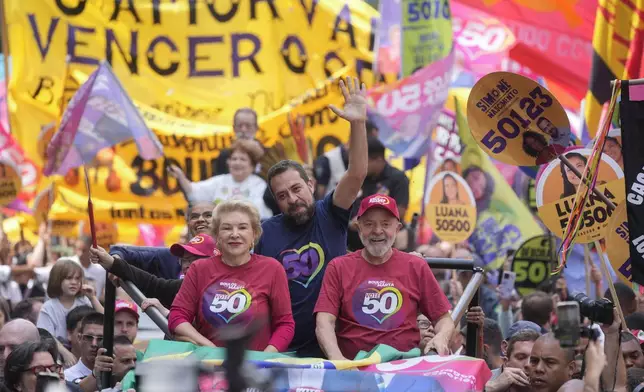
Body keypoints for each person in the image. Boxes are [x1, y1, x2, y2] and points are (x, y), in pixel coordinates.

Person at [256, 77, 369, 357]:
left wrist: (357, 123)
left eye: (296, 189)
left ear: (310, 184)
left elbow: (356, 173)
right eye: (282, 196)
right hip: (283, 350)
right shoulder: (264, 233)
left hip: (336, 344)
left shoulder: (330, 211)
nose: (292, 199)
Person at [314, 195, 453, 360]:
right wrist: (338, 361)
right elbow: (324, 321)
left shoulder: (416, 266)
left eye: (385, 224)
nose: (377, 230)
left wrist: (441, 337)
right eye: (369, 224)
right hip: (353, 370)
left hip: (404, 369)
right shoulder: (338, 267)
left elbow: (444, 318)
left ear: (397, 228)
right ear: (359, 228)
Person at [169, 200, 295, 351]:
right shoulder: (199, 269)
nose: (235, 234)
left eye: (242, 227)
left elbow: (285, 324)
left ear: (254, 234)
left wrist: (264, 358)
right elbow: (177, 316)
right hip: (209, 365)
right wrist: (209, 348)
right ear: (217, 236)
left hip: (256, 369)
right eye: (227, 228)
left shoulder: (272, 269)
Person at [90, 234, 217, 310]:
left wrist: (164, 312)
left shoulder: (227, 288)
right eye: (184, 260)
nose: (187, 265)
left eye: (194, 260)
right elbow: (153, 284)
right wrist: (112, 262)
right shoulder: (183, 286)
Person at [109, 201, 216, 280]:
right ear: (188, 223)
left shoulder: (231, 255)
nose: (200, 219)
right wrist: (116, 265)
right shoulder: (173, 255)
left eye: (208, 215)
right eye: (194, 217)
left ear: (220, 221)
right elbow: (121, 251)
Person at [168, 139, 272, 220]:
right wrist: (180, 176)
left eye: (242, 159)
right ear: (228, 162)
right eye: (234, 159)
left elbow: (260, 215)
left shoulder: (259, 184)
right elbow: (193, 192)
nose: (237, 162)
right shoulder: (220, 181)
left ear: (252, 165)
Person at [346, 136, 409, 251]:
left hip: (386, 244)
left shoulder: (397, 178)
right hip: (354, 244)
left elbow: (400, 212)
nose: (360, 164)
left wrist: (367, 221)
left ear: (379, 160)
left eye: (364, 161)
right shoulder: (360, 178)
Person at [36, 259, 102, 341]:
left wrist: (93, 298)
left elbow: (105, 322)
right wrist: (68, 354)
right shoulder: (49, 307)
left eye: (77, 278)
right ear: (57, 279)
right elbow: (46, 337)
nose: (74, 282)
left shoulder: (84, 301)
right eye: (69, 278)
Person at [64, 312, 103, 384]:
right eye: (88, 337)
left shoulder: (115, 377)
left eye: (100, 339)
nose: (94, 344)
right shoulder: (66, 378)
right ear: (79, 338)